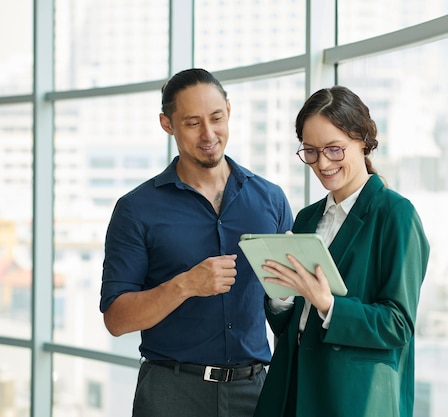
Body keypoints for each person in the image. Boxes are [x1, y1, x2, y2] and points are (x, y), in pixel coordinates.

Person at [99, 68, 294, 417]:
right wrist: (185, 285)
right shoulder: (135, 210)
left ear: (229, 112)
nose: (209, 134)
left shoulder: (271, 200)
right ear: (167, 123)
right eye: (192, 123)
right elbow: (116, 320)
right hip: (172, 394)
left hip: (255, 392)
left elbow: (286, 309)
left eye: (217, 118)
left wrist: (289, 290)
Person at [253, 86, 430, 417]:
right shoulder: (307, 217)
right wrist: (282, 296)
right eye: (310, 151)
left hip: (352, 397)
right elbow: (291, 327)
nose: (322, 163)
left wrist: (328, 304)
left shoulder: (395, 215)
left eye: (334, 149)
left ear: (363, 141)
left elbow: (398, 324)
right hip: (293, 388)